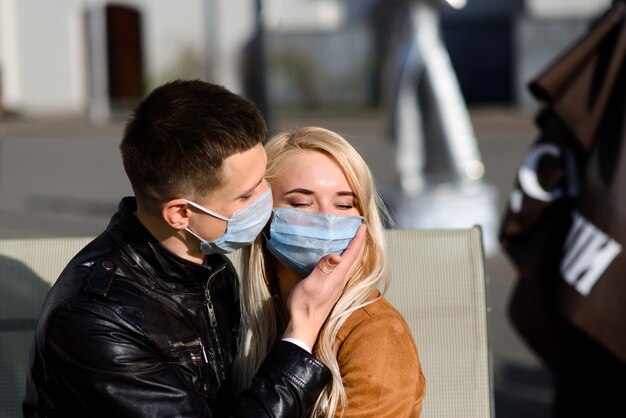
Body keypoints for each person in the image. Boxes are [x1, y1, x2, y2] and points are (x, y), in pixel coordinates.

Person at [22, 80, 365, 417]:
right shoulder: (97, 323)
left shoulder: (206, 262)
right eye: (246, 195)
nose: (265, 198)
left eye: (263, 178)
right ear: (180, 213)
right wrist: (301, 330)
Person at [233, 127, 426, 417]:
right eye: (300, 202)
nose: (326, 217)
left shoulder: (376, 336)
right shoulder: (244, 317)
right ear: (262, 214)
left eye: (345, 203)